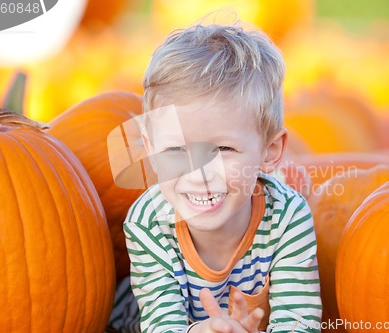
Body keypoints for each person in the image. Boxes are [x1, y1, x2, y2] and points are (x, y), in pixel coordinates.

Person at [122, 21, 321, 333]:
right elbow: (161, 326)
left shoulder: (287, 217)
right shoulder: (148, 223)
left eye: (224, 149)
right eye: (175, 149)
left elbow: (300, 323)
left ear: (268, 152)